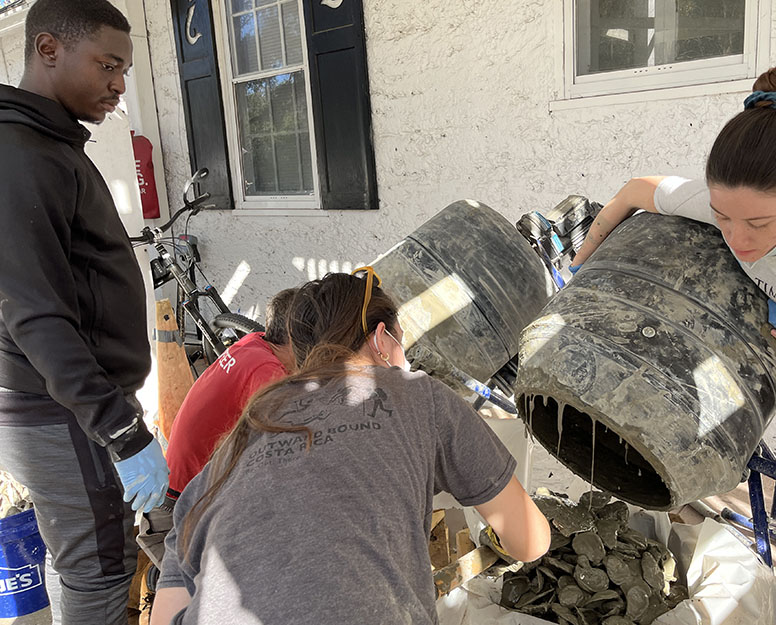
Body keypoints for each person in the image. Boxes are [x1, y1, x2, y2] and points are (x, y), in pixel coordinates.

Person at [570, 60, 776, 625]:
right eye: (724, 217)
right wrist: (582, 262)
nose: (739, 239)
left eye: (759, 224)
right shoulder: (736, 202)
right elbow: (636, 190)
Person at [150, 271, 551, 625]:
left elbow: (167, 606)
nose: (404, 358)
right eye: (401, 343)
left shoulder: (248, 427)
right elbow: (532, 541)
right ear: (381, 338)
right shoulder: (418, 394)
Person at [0, 1, 169, 623]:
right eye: (107, 64)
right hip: (58, 410)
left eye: (124, 69)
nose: (120, 84)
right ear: (48, 50)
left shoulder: (46, 142)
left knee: (79, 558)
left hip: (70, 405)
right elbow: (35, 313)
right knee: (98, 569)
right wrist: (121, 432)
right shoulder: (18, 152)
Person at [137, 288, 298, 567]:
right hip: (180, 515)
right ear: (299, 337)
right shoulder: (267, 373)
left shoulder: (253, 343)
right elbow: (288, 451)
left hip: (175, 495)